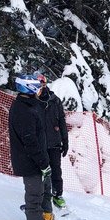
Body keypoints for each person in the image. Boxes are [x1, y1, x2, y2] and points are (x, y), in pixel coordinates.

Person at [8, 74, 57, 220]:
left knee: (46, 187)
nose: (39, 88)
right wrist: (42, 162)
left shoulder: (32, 105)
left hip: (40, 156)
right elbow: (29, 140)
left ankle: (46, 214)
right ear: (29, 88)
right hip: (29, 159)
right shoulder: (22, 110)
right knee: (35, 191)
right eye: (36, 86)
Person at [36, 74, 69, 208]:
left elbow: (62, 121)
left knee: (56, 169)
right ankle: (40, 195)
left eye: (42, 82)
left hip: (54, 142)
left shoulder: (55, 100)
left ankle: (57, 194)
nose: (41, 85)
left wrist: (65, 141)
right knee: (39, 170)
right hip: (39, 143)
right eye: (38, 83)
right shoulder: (33, 100)